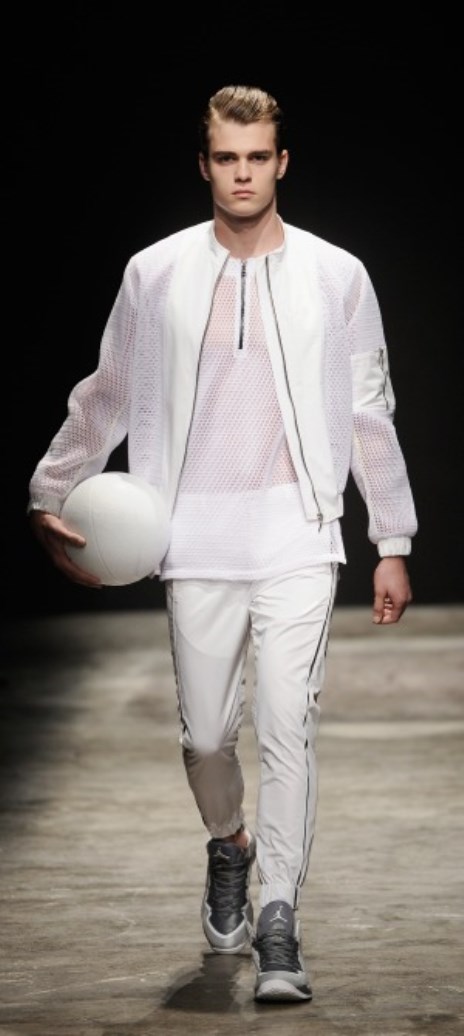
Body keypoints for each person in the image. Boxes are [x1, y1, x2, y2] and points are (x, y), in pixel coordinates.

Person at [27, 84, 418, 1004]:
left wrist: (391, 535)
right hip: (193, 531)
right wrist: (49, 490)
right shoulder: (155, 272)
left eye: (258, 158)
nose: (243, 174)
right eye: (227, 159)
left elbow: (369, 412)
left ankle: (280, 919)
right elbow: (108, 392)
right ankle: (230, 845)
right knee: (206, 738)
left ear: (282, 163)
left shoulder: (338, 275)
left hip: (298, 532)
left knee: (288, 727)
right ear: (204, 165)